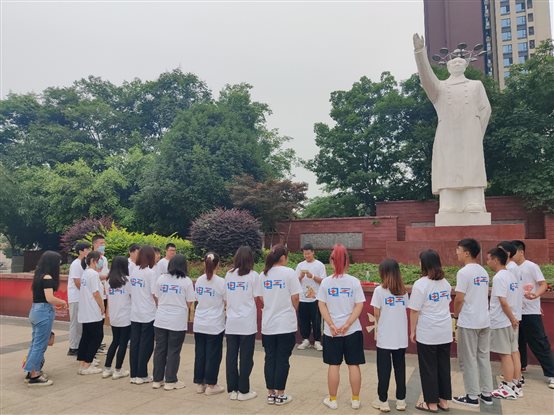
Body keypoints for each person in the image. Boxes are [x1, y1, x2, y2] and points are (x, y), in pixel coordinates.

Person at [412, 33, 491, 216]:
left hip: (471, 133)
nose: (456, 64)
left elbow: (485, 109)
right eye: (453, 62)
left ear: (465, 66)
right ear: (447, 67)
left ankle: (473, 201)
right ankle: (449, 202)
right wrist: (420, 52)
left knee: (471, 164)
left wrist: (477, 133)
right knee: (448, 165)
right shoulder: (440, 88)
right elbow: (426, 79)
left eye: (460, 62)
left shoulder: (476, 85)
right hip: (446, 133)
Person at [317, 244, 366, 410]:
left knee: (334, 365)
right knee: (354, 365)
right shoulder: (354, 282)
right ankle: (355, 400)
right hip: (352, 331)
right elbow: (359, 305)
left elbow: (321, 305)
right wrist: (348, 324)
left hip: (332, 332)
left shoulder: (326, 282)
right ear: (347, 261)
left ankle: (332, 400)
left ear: (332, 261)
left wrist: (331, 324)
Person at [409, 249, 452, 412]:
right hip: (445, 331)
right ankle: (443, 401)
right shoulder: (445, 283)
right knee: (443, 366)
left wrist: (412, 331)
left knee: (428, 367)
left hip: (428, 331)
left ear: (424, 264)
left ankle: (431, 403)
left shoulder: (420, 284)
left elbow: (414, 310)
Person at [452, 239, 494, 407]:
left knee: (468, 359)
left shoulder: (464, 273)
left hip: (469, 321)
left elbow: (459, 298)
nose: (457, 252)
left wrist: (456, 315)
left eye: (458, 249)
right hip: (484, 320)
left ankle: (471, 396)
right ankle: (486, 394)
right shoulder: (483, 271)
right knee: (483, 357)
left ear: (467, 253)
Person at [260, 244, 302, 406]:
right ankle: (281, 394)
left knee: (270, 358)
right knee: (283, 359)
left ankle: (270, 394)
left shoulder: (263, 274)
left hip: (268, 324)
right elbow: (295, 297)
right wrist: (292, 309)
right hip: (285, 324)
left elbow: (261, 297)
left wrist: (272, 305)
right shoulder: (289, 273)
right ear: (283, 257)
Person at [512, 240, 554, 389]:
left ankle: (552, 373)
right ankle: (521, 367)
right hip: (516, 311)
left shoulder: (531, 266)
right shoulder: (511, 268)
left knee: (539, 342)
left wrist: (535, 295)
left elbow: (543, 284)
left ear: (521, 252)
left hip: (530, 311)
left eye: (513, 252)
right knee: (518, 341)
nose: (510, 256)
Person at [224, 245, 262, 401]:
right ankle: (244, 391)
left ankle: (233, 390)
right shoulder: (253, 276)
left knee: (231, 356)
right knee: (246, 358)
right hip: (247, 323)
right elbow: (257, 297)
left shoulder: (229, 275)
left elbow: (226, 297)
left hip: (231, 322)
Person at [24, 251, 68, 386]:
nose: (59, 265)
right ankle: (34, 375)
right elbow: (49, 298)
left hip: (36, 311)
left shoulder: (39, 275)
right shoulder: (48, 278)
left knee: (35, 343)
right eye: (58, 262)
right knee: (40, 345)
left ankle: (31, 370)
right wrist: (62, 302)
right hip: (43, 312)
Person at [370, 259, 408, 412]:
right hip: (401, 337)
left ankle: (383, 401)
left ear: (383, 273)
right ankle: (401, 401)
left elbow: (376, 313)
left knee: (384, 370)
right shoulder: (404, 292)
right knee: (400, 368)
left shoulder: (379, 291)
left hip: (385, 337)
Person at [152, 254, 195, 390]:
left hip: (160, 319)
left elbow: (156, 296)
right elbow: (189, 302)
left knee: (160, 349)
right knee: (174, 350)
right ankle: (170, 381)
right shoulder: (186, 281)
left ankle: (157, 379)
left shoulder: (161, 278)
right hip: (177, 321)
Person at [487, 247, 520, 399]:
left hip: (502, 321)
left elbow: (503, 302)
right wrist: (514, 318)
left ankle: (507, 387)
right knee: (513, 352)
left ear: (496, 260)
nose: (487, 262)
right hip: (511, 320)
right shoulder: (511, 275)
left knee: (505, 354)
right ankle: (515, 385)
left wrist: (511, 318)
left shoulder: (499, 277)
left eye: (489, 259)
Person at [193, 252, 226, 395]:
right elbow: (226, 301)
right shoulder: (221, 282)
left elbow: (197, 298)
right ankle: (211, 385)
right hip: (214, 324)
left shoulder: (199, 280)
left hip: (200, 322)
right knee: (213, 354)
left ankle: (200, 384)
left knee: (200, 353)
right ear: (218, 264)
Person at [497, 241, 524, 393]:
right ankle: (516, 380)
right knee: (514, 349)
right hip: (514, 313)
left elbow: (504, 298)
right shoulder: (514, 268)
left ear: (506, 253)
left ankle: (511, 383)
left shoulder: (509, 270)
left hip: (509, 316)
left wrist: (512, 317)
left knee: (508, 351)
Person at [129, 245, 158, 384]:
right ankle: (142, 374)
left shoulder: (134, 270)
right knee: (146, 345)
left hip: (135, 313)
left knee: (135, 344)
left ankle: (134, 374)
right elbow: (154, 293)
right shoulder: (150, 273)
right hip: (148, 313)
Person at [103, 256, 132, 380]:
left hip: (114, 316)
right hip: (125, 316)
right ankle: (118, 370)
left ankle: (107, 368)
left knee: (115, 341)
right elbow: (132, 296)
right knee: (123, 343)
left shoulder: (108, 281)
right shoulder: (127, 280)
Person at [77, 251, 105, 375]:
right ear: (93, 260)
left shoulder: (86, 273)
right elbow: (96, 293)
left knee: (86, 337)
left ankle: (83, 363)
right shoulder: (93, 274)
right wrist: (102, 306)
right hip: (92, 310)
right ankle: (87, 364)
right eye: (100, 260)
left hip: (86, 310)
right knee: (97, 337)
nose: (101, 262)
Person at [295, 243, 327, 351]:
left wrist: (312, 276)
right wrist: (300, 277)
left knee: (316, 320)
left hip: (316, 298)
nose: (307, 256)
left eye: (308, 253)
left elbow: (324, 281)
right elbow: (294, 281)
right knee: (303, 320)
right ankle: (305, 340)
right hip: (302, 298)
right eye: (305, 254)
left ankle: (317, 341)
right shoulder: (300, 265)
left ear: (313, 252)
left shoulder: (320, 265)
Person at [67, 242, 90, 356]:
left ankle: (79, 345)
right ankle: (73, 347)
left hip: (81, 298)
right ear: (81, 251)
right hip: (76, 297)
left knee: (80, 323)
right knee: (75, 323)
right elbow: (77, 282)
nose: (89, 251)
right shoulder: (76, 264)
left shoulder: (84, 263)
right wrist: (87, 294)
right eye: (87, 249)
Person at [92, 234, 109, 354]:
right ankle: (94, 346)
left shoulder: (104, 259)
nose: (103, 245)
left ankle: (98, 343)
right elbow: (91, 275)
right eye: (101, 243)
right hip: (95, 293)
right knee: (95, 321)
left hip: (104, 292)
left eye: (104, 243)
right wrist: (103, 277)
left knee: (101, 319)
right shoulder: (90, 258)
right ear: (94, 244)